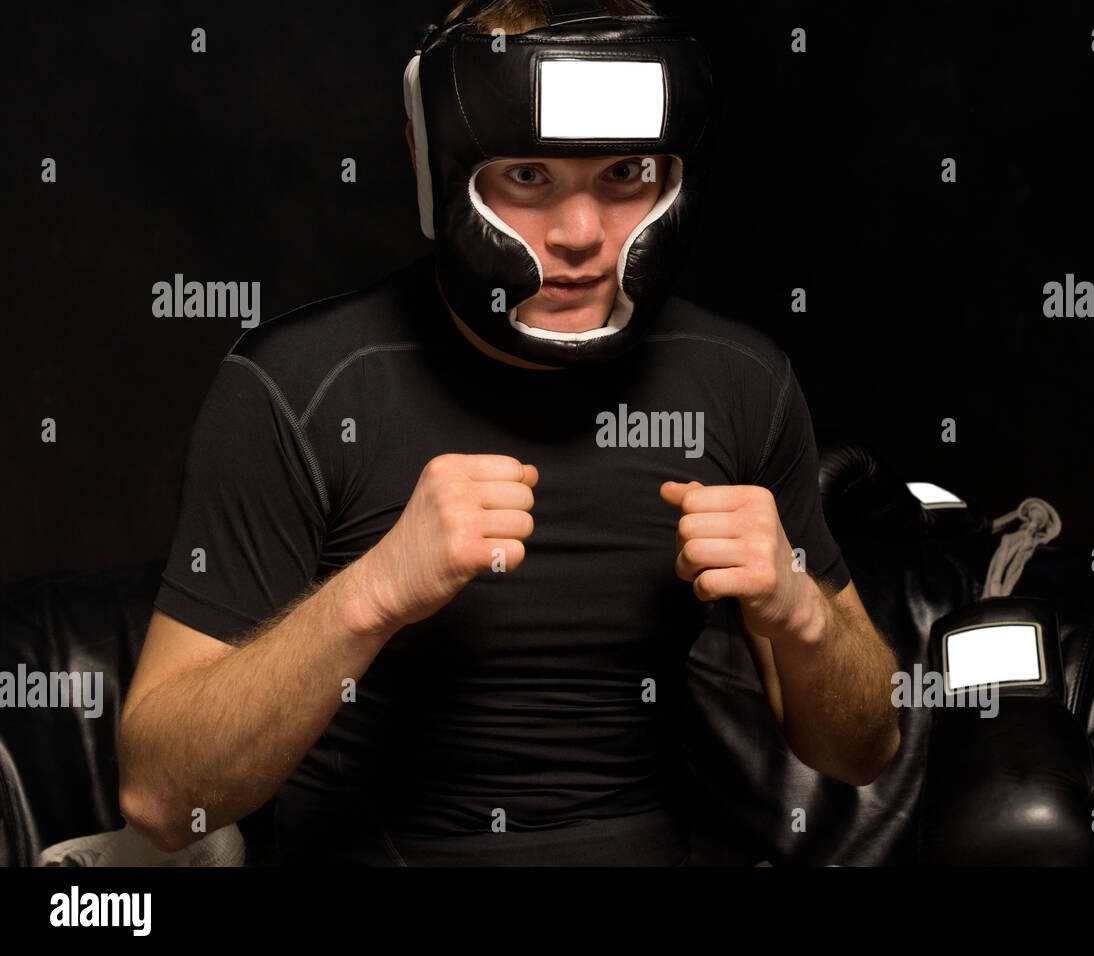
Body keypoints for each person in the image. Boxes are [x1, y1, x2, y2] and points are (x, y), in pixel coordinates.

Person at [117, 0, 900, 866]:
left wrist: (802, 615)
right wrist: (370, 595)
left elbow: (862, 753)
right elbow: (162, 801)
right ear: (436, 166)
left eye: (624, 175)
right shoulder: (299, 386)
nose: (581, 237)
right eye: (527, 177)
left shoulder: (738, 380)